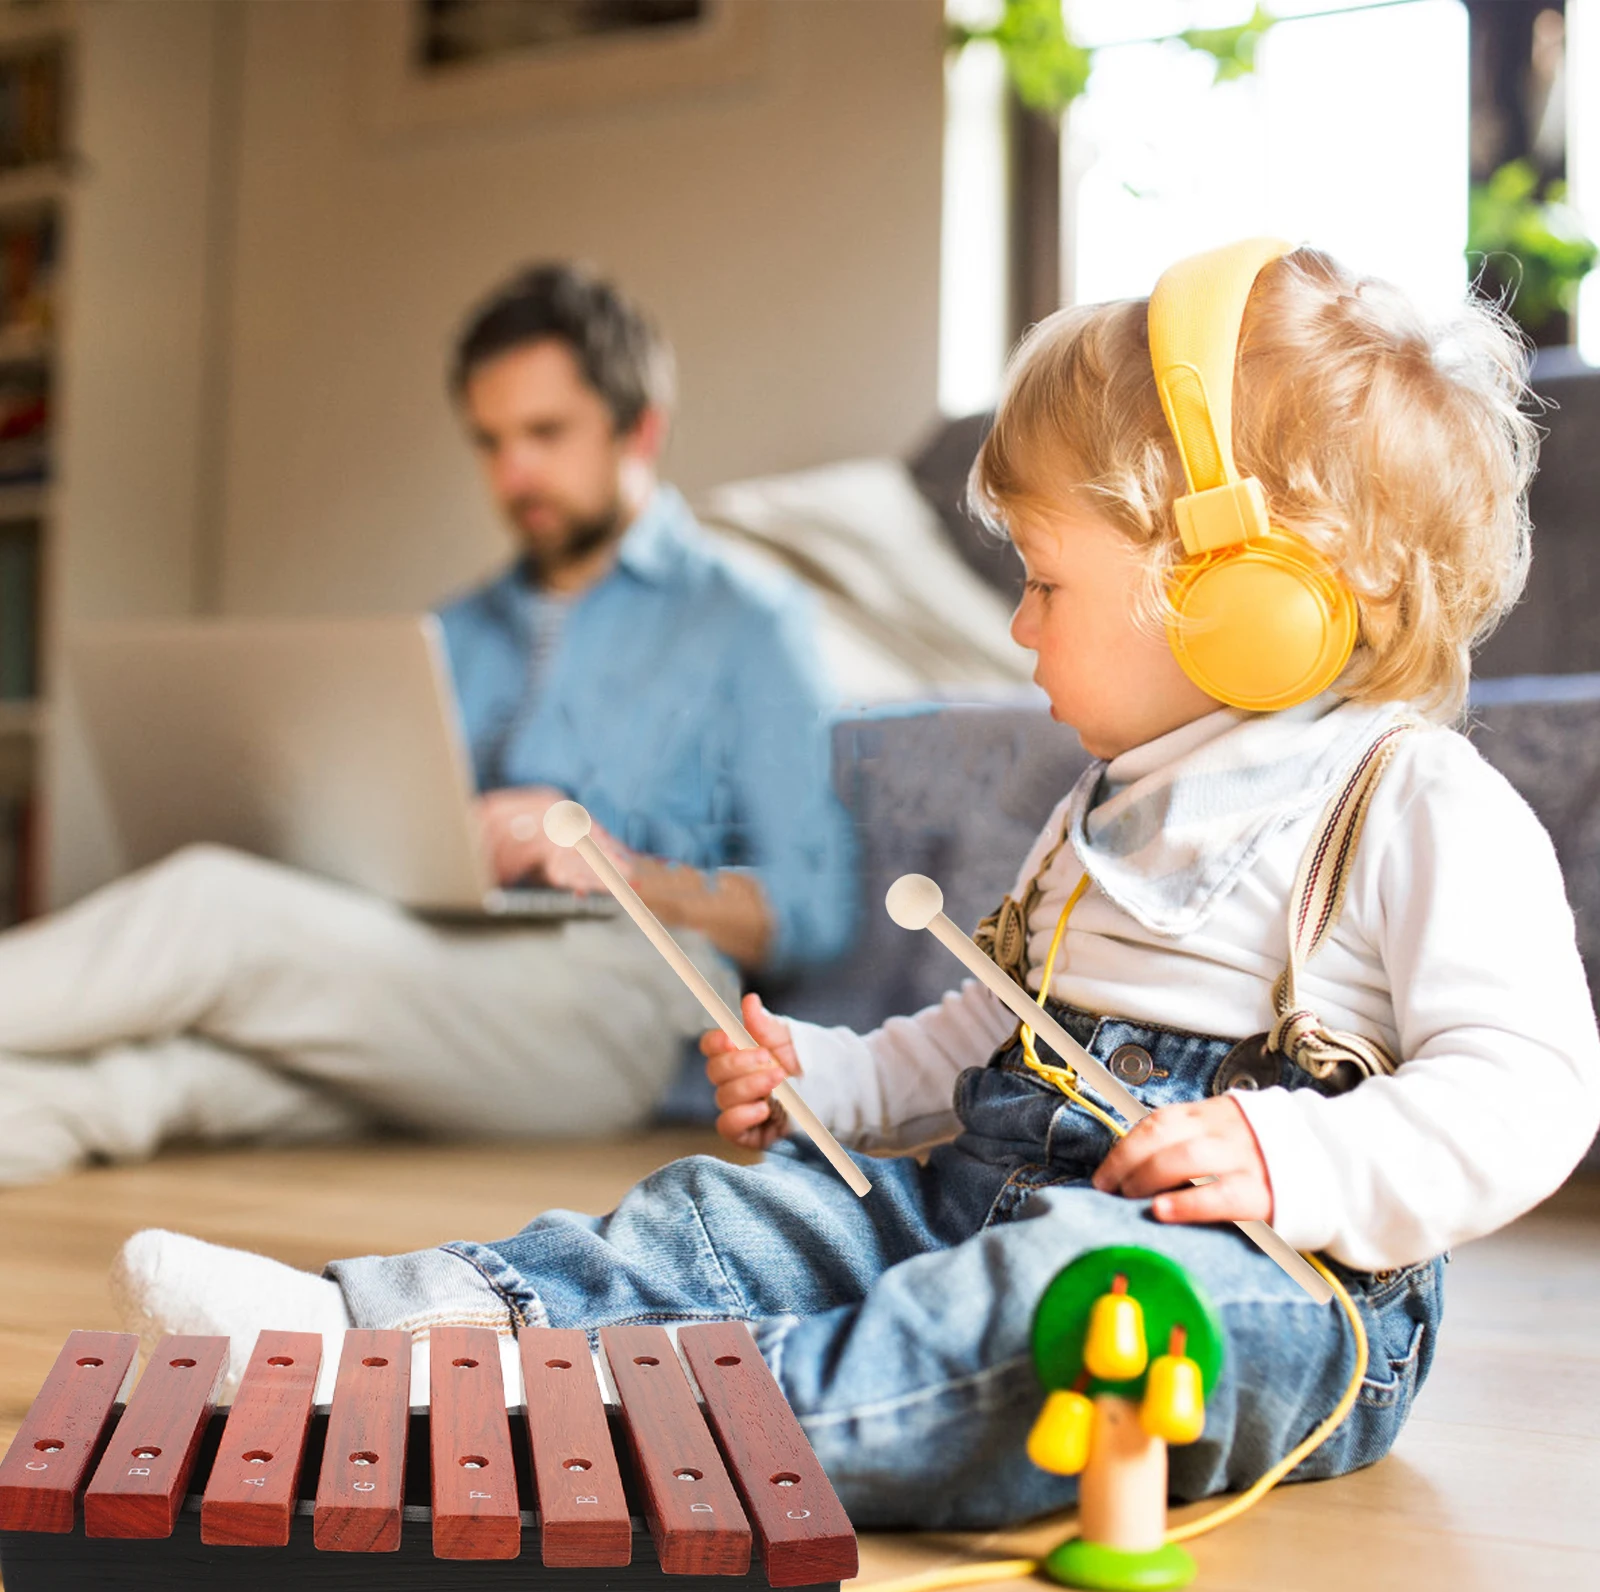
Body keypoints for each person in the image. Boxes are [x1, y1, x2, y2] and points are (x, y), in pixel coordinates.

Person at [110, 245, 1599, 1527]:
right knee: (728, 1215)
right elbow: (989, 1041)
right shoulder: (1107, 806)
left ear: (1244, 597)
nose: (1017, 628)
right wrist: (832, 1072)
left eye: (1045, 583)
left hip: (1287, 1294)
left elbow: (1531, 1091)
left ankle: (565, 1426)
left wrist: (1296, 1161)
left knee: (1053, 1306)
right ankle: (364, 1331)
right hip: (981, 1199)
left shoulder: (1412, 806)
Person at [0, 263, 853, 1186]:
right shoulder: (453, 630)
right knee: (161, 1083)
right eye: (489, 442)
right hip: (432, 979)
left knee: (212, 909)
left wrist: (624, 871)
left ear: (639, 428)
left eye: (545, 434)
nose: (513, 472)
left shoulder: (747, 621)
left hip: (614, 1010)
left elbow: (816, 910)